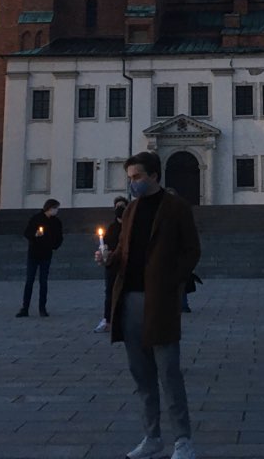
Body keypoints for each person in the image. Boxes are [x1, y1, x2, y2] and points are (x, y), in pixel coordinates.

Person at [98, 151, 200, 459]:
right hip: (128, 299)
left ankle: (183, 441)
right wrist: (109, 258)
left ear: (154, 175)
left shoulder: (176, 208)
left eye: (137, 177)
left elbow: (192, 250)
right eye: (130, 179)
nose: (133, 183)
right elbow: (125, 249)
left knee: (169, 373)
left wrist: (171, 280)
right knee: (141, 376)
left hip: (160, 300)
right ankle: (152, 436)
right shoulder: (130, 211)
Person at [17, 198, 64, 318]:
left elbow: (59, 237)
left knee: (43, 282)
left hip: (46, 254)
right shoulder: (36, 219)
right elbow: (27, 233)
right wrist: (35, 235)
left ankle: (42, 308)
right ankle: (25, 308)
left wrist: (54, 246)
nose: (56, 211)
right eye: (55, 208)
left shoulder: (56, 222)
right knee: (30, 281)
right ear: (49, 208)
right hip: (34, 253)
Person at [95, 196, 128, 333]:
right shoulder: (112, 227)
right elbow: (105, 244)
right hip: (112, 265)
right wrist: (103, 253)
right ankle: (107, 319)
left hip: (126, 265)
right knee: (110, 292)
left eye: (122, 206)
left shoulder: (130, 226)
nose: (119, 209)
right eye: (117, 207)